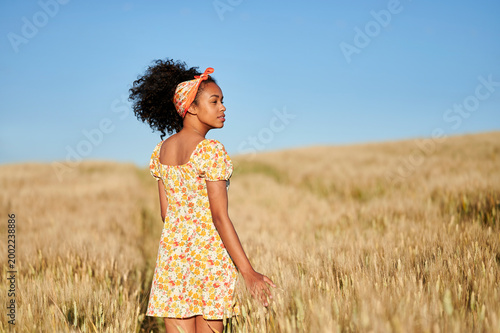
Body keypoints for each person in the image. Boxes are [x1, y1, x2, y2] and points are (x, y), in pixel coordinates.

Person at [129, 59, 275, 333]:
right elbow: (219, 217)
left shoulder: (160, 151)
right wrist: (248, 272)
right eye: (214, 101)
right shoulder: (211, 151)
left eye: (222, 101)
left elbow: (166, 214)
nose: (223, 108)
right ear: (191, 108)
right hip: (208, 260)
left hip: (173, 259)